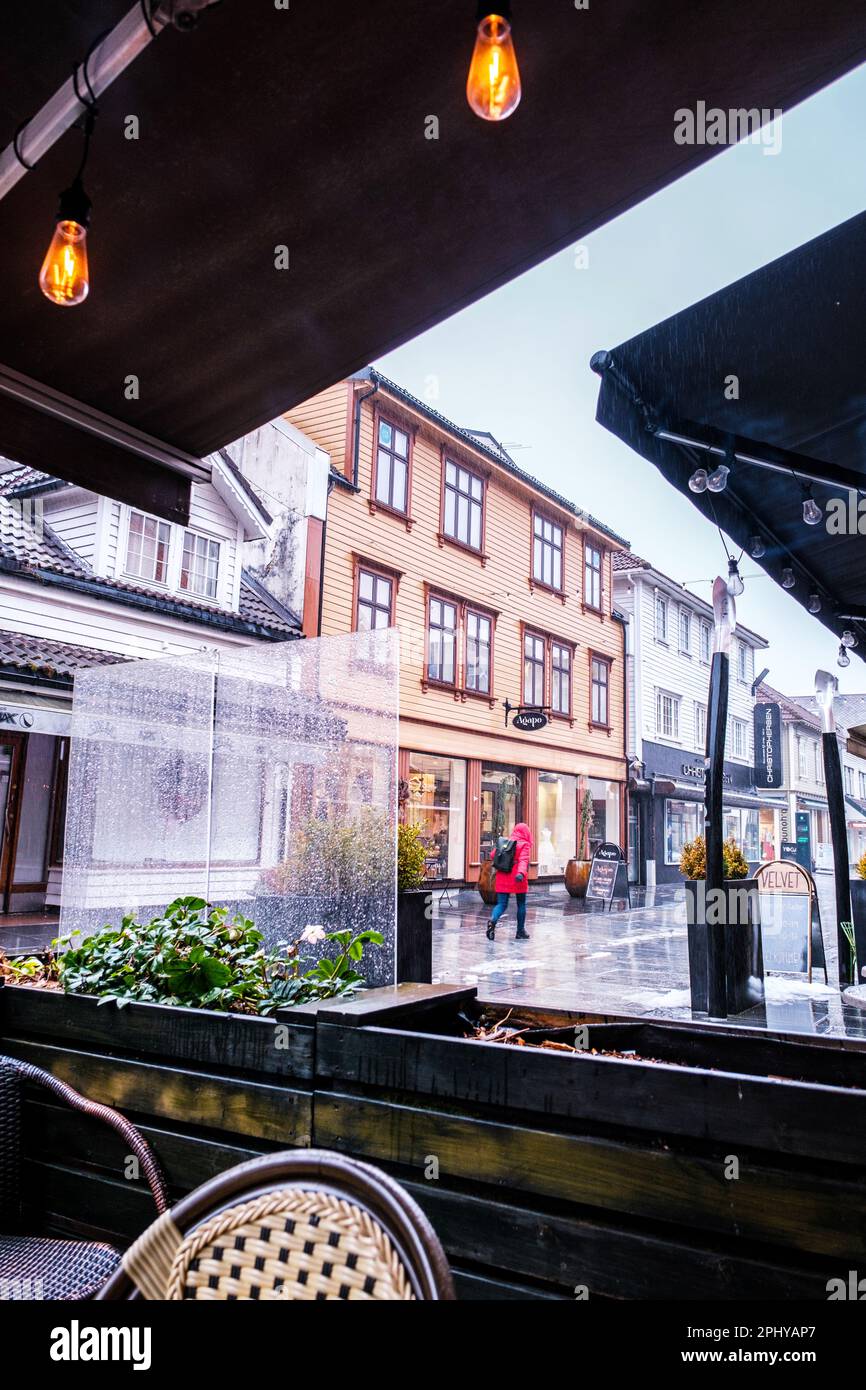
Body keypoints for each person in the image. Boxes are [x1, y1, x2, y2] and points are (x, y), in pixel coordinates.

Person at [486, 821, 532, 941]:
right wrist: (521, 873)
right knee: (521, 904)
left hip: (503, 875)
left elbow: (492, 855)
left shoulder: (506, 842)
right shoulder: (524, 844)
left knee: (501, 904)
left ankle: (492, 921)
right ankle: (520, 931)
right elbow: (523, 860)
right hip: (517, 877)